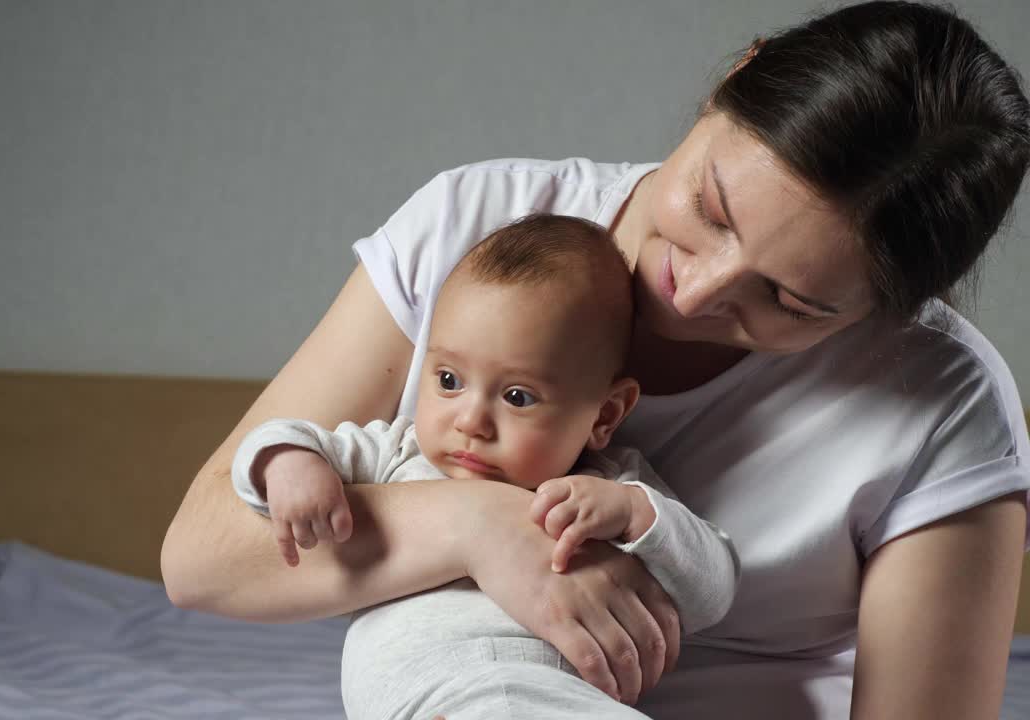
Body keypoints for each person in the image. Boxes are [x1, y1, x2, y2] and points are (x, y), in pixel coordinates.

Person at [161, 3, 1030, 718]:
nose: (696, 292)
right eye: (713, 209)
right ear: (735, 76)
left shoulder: (943, 398)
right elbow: (205, 559)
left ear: (894, 308)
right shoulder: (484, 228)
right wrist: (482, 525)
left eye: (792, 302)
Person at [229, 215, 740, 719]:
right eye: (449, 380)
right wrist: (289, 464)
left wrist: (638, 514)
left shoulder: (607, 488)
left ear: (604, 415)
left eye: (518, 396)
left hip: (561, 702)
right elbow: (282, 436)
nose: (471, 420)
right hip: (430, 700)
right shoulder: (396, 455)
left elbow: (712, 590)